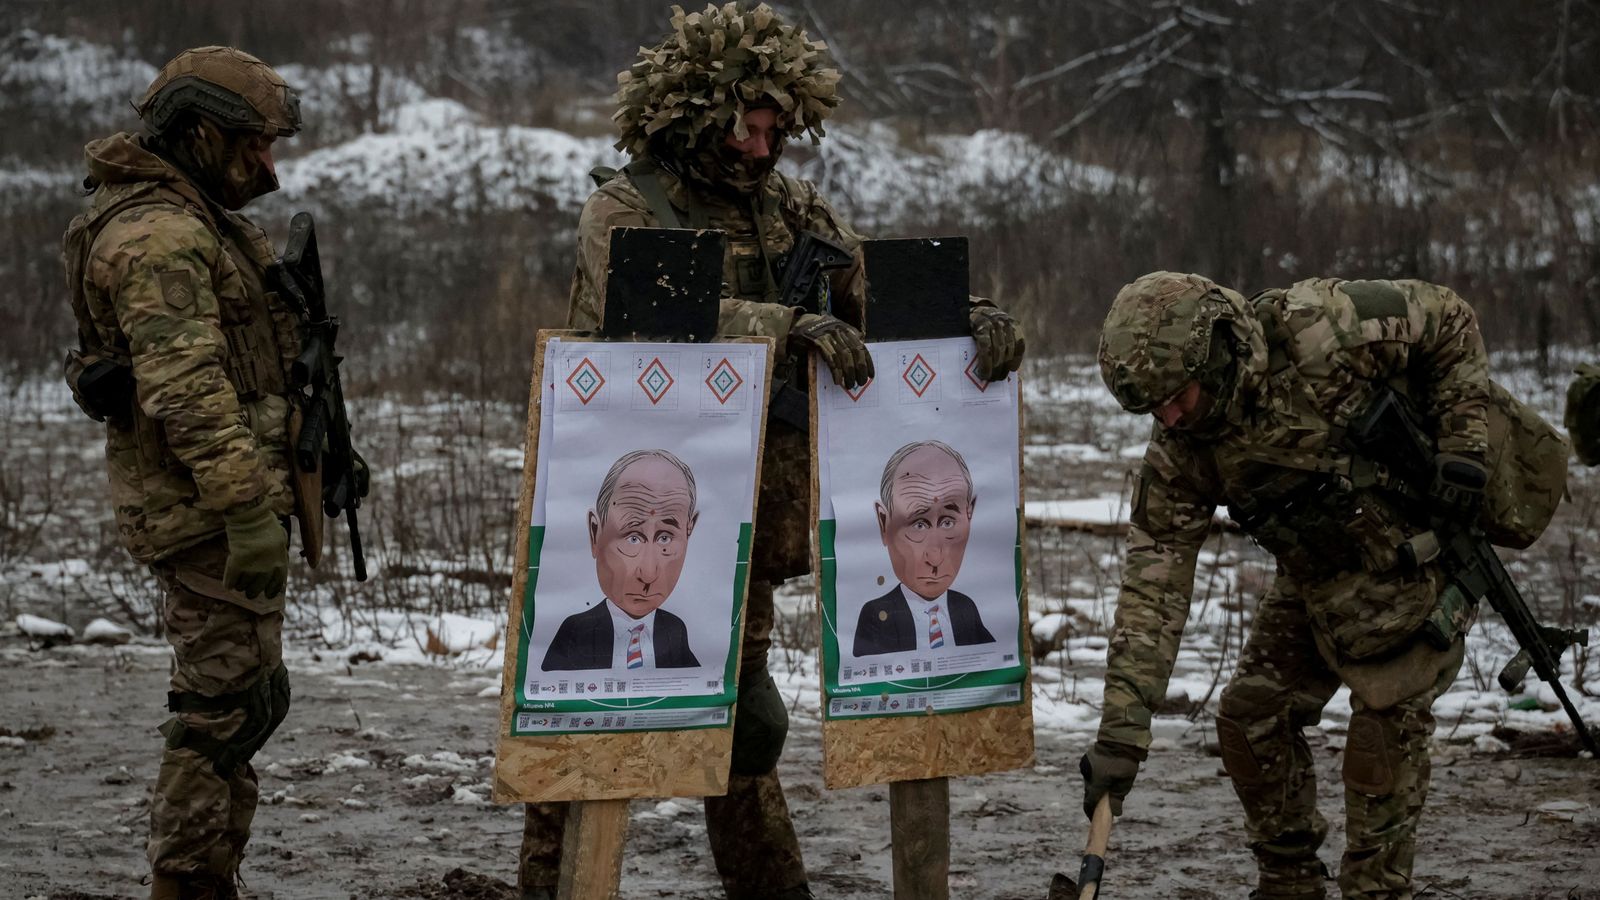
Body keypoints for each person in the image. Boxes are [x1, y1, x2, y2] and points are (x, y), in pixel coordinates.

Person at [521, 5, 1026, 899]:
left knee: (743, 715)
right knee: (586, 715)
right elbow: (637, 315)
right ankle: (550, 885)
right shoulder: (628, 207)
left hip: (744, 504)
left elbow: (863, 276)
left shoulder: (788, 207)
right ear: (693, 115)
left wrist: (965, 314)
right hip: (629, 498)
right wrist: (785, 324)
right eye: (746, 130)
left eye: (774, 131)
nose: (762, 149)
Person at [1083, 271, 1498, 900]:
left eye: (1177, 396)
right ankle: (1288, 882)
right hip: (1314, 574)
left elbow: (1452, 320)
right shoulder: (1180, 451)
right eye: (1151, 408)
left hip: (1405, 558)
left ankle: (1376, 890)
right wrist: (1121, 735)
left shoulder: (1322, 329)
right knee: (1252, 719)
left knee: (1381, 736)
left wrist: (1465, 444)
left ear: (1216, 350)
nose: (1167, 416)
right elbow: (1154, 587)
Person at [61, 47, 312, 900]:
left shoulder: (196, 212)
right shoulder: (160, 232)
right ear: (201, 133)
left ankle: (210, 875)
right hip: (203, 510)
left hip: (223, 497)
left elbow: (250, 361)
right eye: (254, 145)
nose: (267, 165)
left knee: (247, 700)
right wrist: (246, 509)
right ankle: (188, 883)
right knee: (219, 713)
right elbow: (189, 389)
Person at [542, 449, 702, 671]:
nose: (648, 573)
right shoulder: (576, 632)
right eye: (633, 538)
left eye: (665, 538)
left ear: (689, 531)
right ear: (595, 533)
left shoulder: (674, 631)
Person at [852, 440, 993, 657]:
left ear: (969, 514)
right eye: (918, 525)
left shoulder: (965, 609)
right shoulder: (878, 615)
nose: (935, 558)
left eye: (948, 522)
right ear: (883, 523)